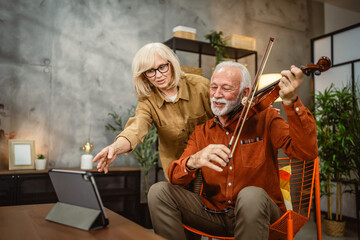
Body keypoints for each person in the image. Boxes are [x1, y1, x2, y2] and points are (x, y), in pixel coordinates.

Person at [147, 61, 318, 240]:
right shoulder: (202, 132)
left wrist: (292, 102)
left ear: (245, 93)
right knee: (159, 192)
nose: (216, 95)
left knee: (250, 195)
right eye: (214, 87)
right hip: (214, 216)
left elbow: (306, 152)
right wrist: (194, 160)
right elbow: (175, 177)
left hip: (261, 216)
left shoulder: (266, 118)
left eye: (226, 88)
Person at [93, 42, 213, 179]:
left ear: (171, 64)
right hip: (180, 172)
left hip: (213, 167)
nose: (158, 75)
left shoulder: (201, 86)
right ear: (144, 75)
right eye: (150, 71)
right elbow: (136, 129)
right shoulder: (147, 100)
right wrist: (115, 148)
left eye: (162, 67)